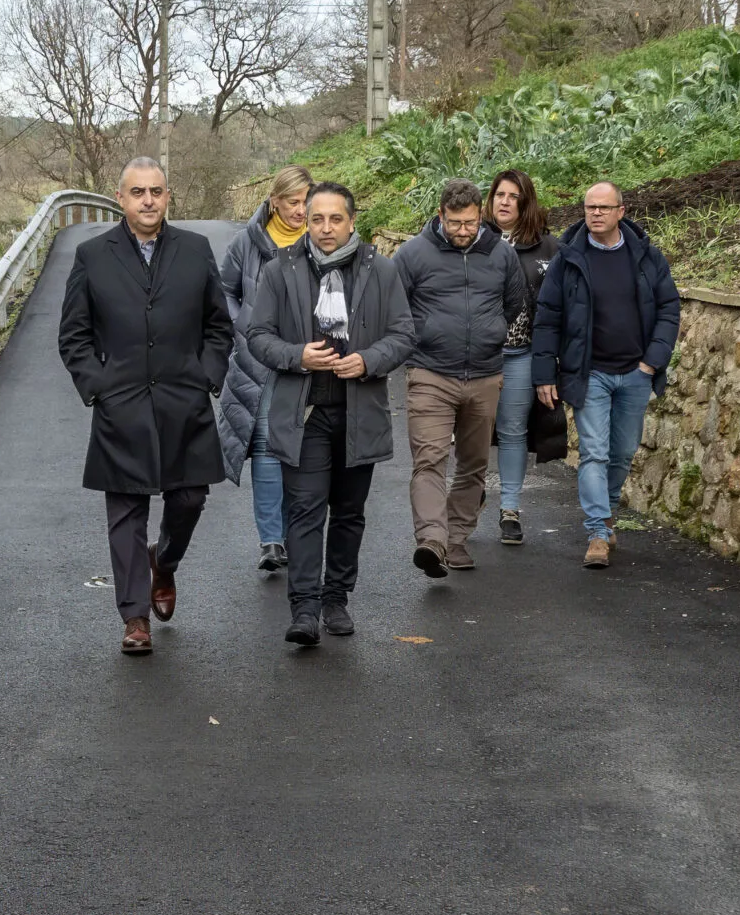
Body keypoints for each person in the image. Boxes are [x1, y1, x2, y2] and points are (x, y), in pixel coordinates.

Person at [57, 157, 235, 655]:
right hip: (122, 406)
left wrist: (207, 375)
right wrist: (99, 386)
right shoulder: (92, 255)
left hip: (184, 402)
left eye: (156, 191)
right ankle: (134, 617)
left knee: (190, 499)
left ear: (168, 196)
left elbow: (219, 325)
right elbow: (73, 335)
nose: (148, 200)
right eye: (138, 192)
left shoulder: (195, 249)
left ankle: (166, 561)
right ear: (121, 198)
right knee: (125, 511)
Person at [244, 181, 416, 647]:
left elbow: (403, 334)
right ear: (306, 220)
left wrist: (369, 360)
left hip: (360, 411)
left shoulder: (381, 270)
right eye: (316, 218)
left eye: (335, 219)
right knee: (304, 510)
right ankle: (304, 609)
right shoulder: (280, 269)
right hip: (304, 415)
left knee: (348, 512)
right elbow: (258, 335)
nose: (325, 228)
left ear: (352, 221)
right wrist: (297, 355)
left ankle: (336, 598)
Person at [530, 181, 682, 569]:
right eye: (590, 207)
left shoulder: (646, 256)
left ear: (621, 211)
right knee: (594, 452)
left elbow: (668, 309)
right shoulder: (568, 259)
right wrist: (544, 374)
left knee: (622, 453)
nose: (596, 213)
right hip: (589, 373)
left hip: (635, 372)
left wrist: (651, 362)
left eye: (604, 207)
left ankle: (608, 510)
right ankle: (597, 532)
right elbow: (547, 319)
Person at [393, 176, 526, 576]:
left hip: (485, 375)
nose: (463, 231)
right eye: (455, 223)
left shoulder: (502, 254)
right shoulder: (412, 254)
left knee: (473, 463)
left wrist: (490, 335)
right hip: (430, 373)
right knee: (429, 460)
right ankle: (432, 540)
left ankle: (455, 540)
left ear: (480, 215)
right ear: (440, 215)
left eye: (470, 222)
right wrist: (424, 339)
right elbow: (395, 308)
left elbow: (513, 303)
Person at [218, 164, 311, 573]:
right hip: (257, 360)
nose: (301, 211)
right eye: (293, 202)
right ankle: (271, 540)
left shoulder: (320, 240)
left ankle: (293, 534)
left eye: (306, 202)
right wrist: (244, 327)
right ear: (274, 202)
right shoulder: (247, 243)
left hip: (307, 358)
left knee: (301, 448)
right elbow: (225, 291)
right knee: (265, 445)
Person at [484, 169, 560, 547]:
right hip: (479, 357)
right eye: (500, 194)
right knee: (472, 429)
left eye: (513, 196)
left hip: (520, 355)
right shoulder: (474, 239)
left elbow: (556, 309)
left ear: (525, 202)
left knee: (513, 430)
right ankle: (470, 491)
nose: (504, 201)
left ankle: (510, 509)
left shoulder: (547, 249)